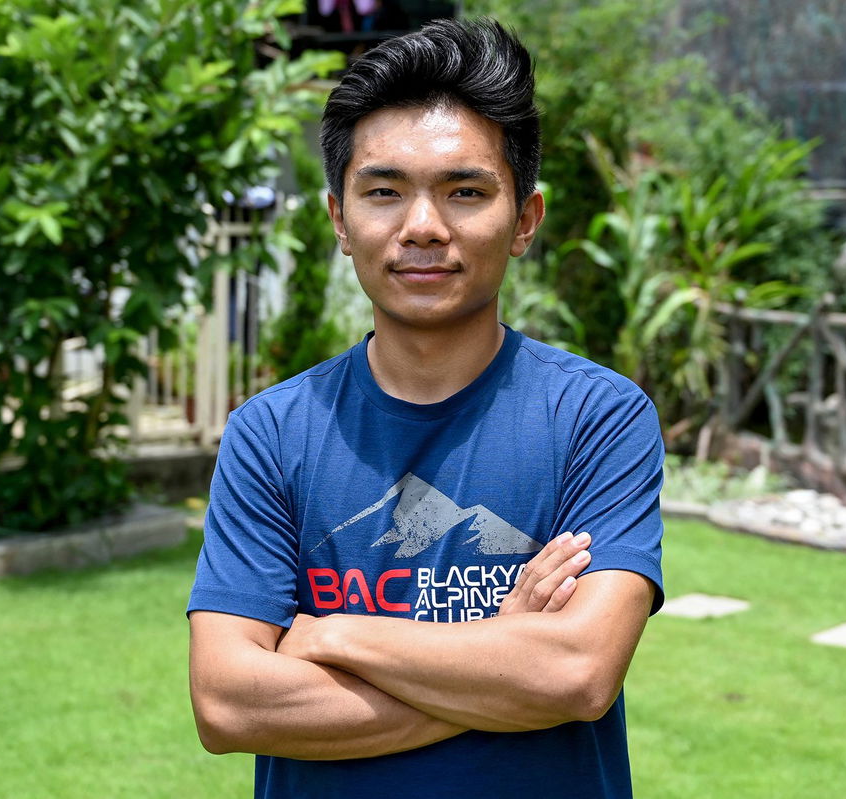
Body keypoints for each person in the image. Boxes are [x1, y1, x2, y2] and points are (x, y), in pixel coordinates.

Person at [187, 17, 665, 799]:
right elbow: (227, 702)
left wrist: (332, 633)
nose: (422, 228)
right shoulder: (271, 432)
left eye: (465, 191)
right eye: (383, 191)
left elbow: (577, 673)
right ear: (340, 219)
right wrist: (503, 656)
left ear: (525, 220)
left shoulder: (596, 418)